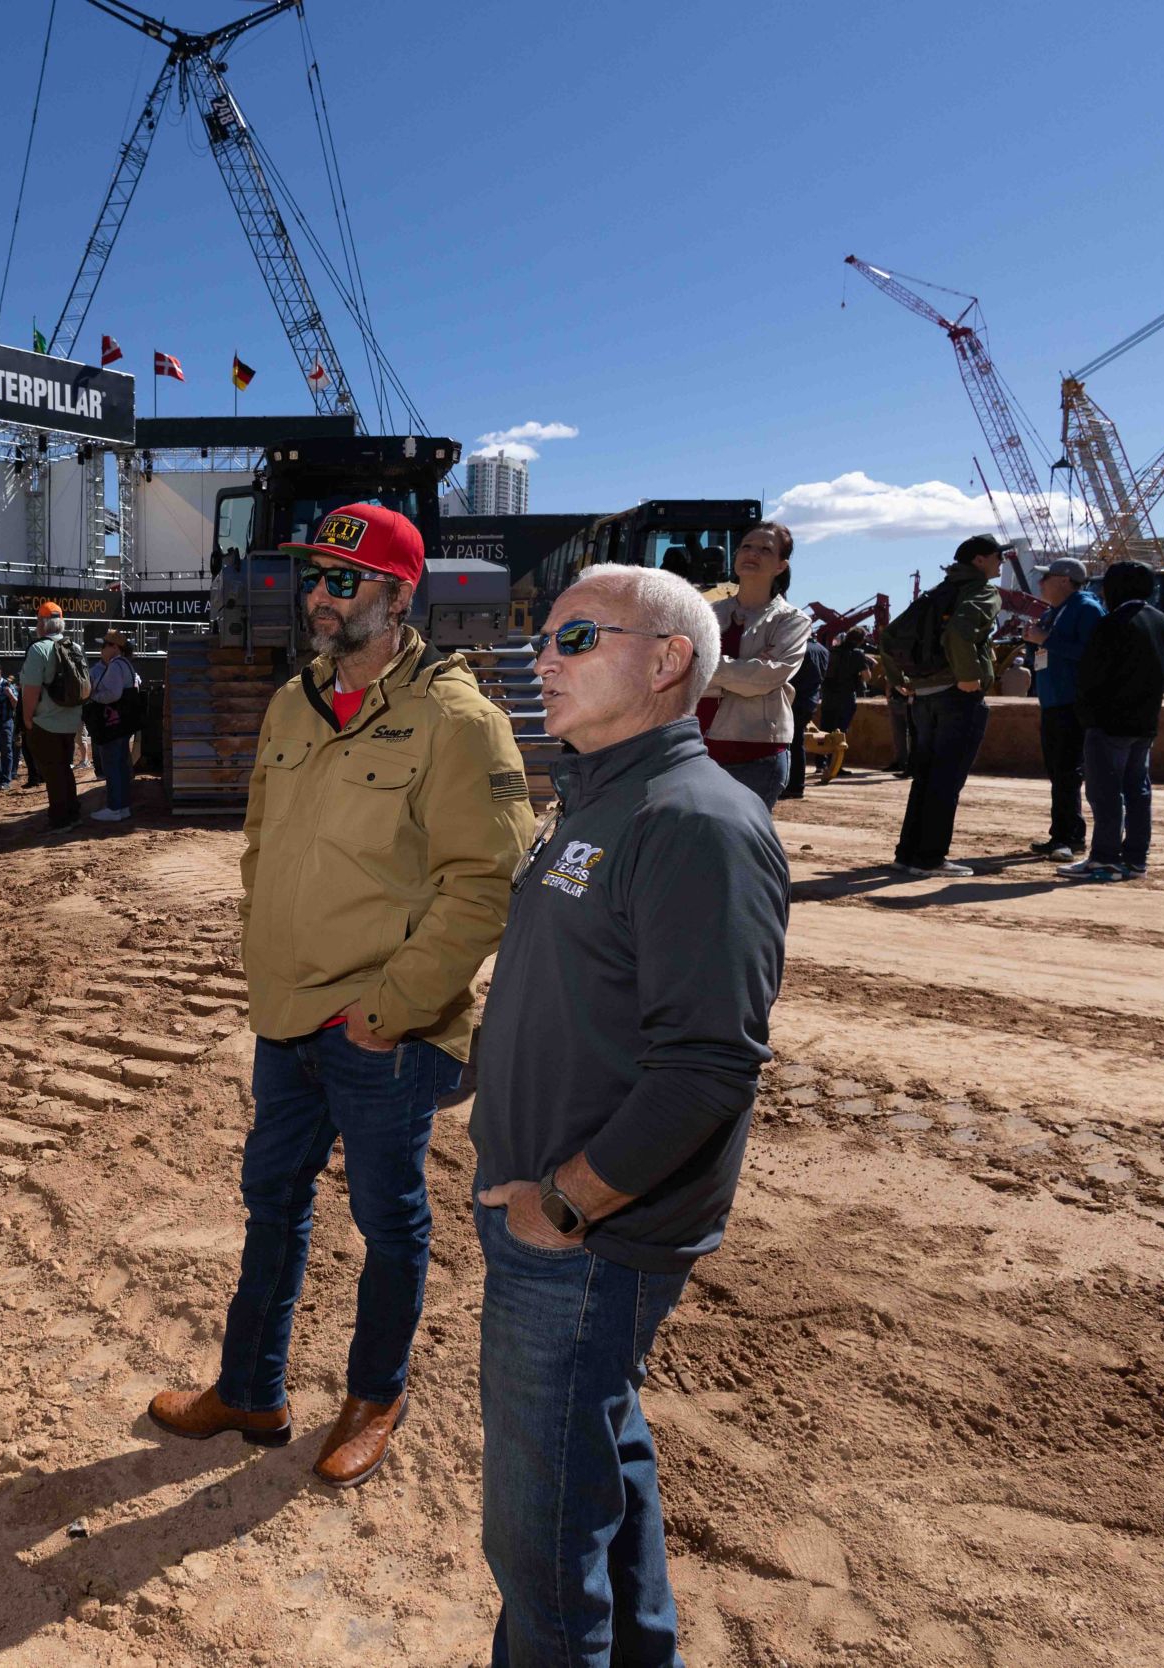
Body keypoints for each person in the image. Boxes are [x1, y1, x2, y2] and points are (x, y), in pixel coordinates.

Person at [146, 503, 535, 1489]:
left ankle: (375, 1391)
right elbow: (261, 844)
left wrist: (391, 1008)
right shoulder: (290, 704)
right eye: (312, 577)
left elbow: (482, 884)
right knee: (270, 1202)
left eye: (341, 580)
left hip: (383, 1034)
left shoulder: (458, 722)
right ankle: (250, 1387)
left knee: (389, 1217)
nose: (316, 596)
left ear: (399, 595)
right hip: (286, 1019)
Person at [472, 564, 788, 1664]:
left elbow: (708, 1068)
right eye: (540, 641)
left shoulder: (695, 820)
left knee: (539, 1544)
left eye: (573, 640)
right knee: (598, 1471)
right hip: (551, 1220)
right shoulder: (599, 795)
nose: (539, 662)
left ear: (665, 664)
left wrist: (563, 1202)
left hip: (584, 1239)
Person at [881, 534, 1003, 877]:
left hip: (924, 695)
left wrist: (900, 680)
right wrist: (967, 676)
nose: (1001, 563)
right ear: (979, 560)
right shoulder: (982, 590)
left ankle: (907, 854)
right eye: (997, 557)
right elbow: (958, 633)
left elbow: (888, 637)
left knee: (924, 777)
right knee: (947, 779)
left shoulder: (937, 592)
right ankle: (930, 858)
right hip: (956, 694)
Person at [1063, 559, 1164, 883]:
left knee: (1105, 793)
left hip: (1110, 723)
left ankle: (1105, 859)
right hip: (1145, 723)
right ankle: (1135, 859)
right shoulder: (1161, 621)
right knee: (1138, 791)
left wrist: (1086, 716)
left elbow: (1093, 676)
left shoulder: (1113, 623)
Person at [696, 521, 812, 809]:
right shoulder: (706, 613)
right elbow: (683, 668)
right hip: (696, 748)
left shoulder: (792, 621)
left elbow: (764, 679)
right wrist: (743, 669)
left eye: (765, 549)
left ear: (780, 566)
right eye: (747, 546)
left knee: (742, 847)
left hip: (755, 754)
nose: (753, 554)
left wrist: (706, 665)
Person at [1023, 556, 1105, 862]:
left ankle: (1068, 837)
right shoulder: (1054, 612)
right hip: (1054, 702)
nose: (1041, 583)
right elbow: (1047, 648)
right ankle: (1064, 833)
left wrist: (1046, 639)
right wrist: (1034, 640)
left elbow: (1091, 654)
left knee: (1067, 772)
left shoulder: (1086, 609)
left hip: (1072, 703)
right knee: (1058, 771)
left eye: (1047, 578)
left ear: (1064, 580)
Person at [20, 602, 89, 828]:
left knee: (53, 773)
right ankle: (73, 813)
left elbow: (30, 690)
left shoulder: (38, 649)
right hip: (70, 721)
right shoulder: (74, 647)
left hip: (46, 722)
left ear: (42, 623)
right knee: (64, 768)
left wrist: (28, 719)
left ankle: (60, 820)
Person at [85, 630, 143, 823]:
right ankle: (122, 807)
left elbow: (113, 694)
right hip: (122, 724)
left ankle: (114, 807)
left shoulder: (116, 665)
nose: (101, 649)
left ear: (115, 647)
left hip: (111, 724)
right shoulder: (126, 664)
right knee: (120, 765)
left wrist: (93, 696)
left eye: (105, 645)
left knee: (112, 766)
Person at [781, 630, 829, 799]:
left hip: (794, 700)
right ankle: (795, 784)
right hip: (811, 701)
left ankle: (793, 785)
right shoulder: (823, 650)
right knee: (796, 742)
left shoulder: (800, 649)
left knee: (791, 744)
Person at [817, 625, 871, 740]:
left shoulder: (831, 651)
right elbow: (867, 677)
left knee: (825, 729)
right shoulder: (857, 654)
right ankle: (835, 757)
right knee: (841, 731)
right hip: (846, 697)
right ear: (860, 640)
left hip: (828, 696)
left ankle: (821, 757)